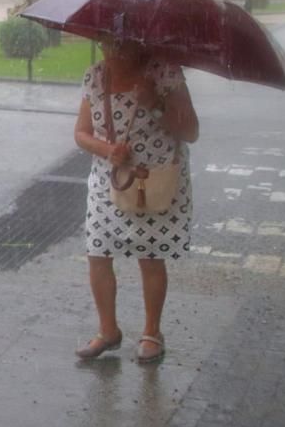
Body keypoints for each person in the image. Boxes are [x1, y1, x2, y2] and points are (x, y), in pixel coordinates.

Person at [73, 35, 200, 363]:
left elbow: (191, 132)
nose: (115, 51)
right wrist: (107, 150)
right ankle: (108, 330)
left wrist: (155, 104)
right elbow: (82, 133)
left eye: (123, 44)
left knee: (151, 256)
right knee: (97, 253)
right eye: (107, 43)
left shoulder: (164, 74)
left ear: (140, 42)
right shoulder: (95, 76)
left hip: (153, 182)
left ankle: (152, 332)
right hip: (108, 181)